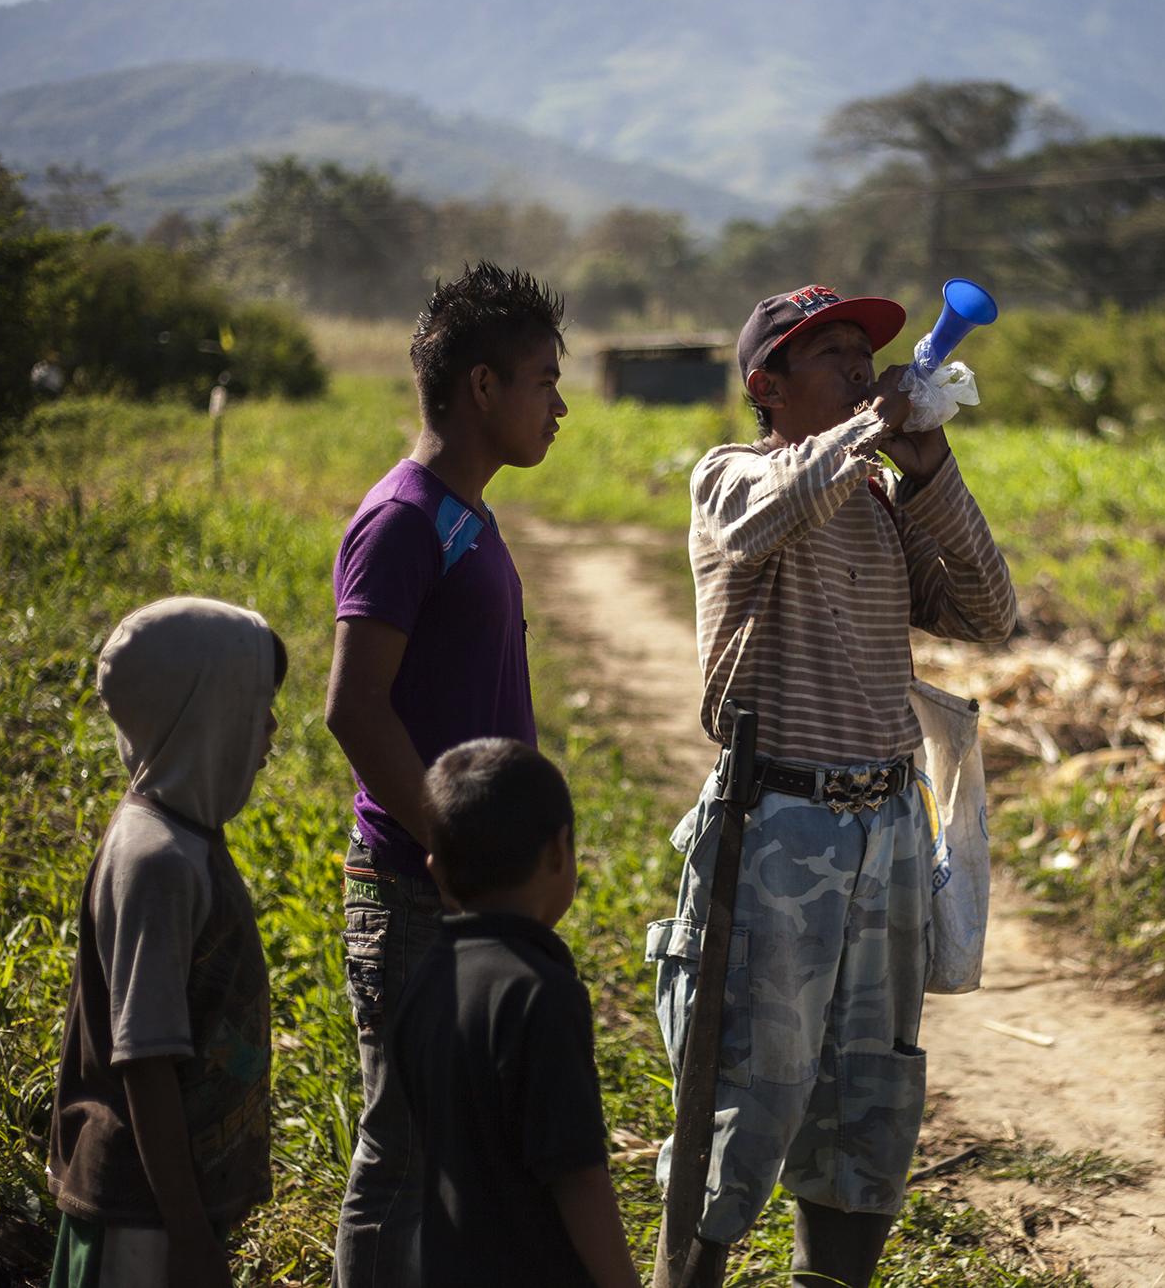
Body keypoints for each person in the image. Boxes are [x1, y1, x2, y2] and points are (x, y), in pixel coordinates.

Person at [648, 284, 1018, 1287]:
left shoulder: (874, 497)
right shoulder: (730, 475)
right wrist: (869, 427)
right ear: (765, 385)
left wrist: (928, 462)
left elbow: (989, 608)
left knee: (868, 1089)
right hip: (779, 825)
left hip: (886, 825)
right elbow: (762, 520)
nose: (864, 366)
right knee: (742, 1092)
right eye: (834, 352)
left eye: (869, 353)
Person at [325, 262, 567, 1286]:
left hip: (466, 890)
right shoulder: (403, 518)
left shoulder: (469, 513)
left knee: (458, 1154)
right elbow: (353, 705)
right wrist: (446, 842)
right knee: (401, 1150)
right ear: (480, 388)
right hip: (421, 890)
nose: (558, 406)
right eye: (542, 381)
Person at [46, 596, 286, 1288]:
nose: (271, 724)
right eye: (255, 702)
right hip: (144, 1217)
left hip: (167, 1204)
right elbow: (146, 1060)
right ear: (202, 713)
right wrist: (186, 1233)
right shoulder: (157, 861)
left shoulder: (183, 835)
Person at [392, 739, 642, 1288]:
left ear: (435, 867)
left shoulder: (425, 981)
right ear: (559, 851)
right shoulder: (540, 993)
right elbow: (577, 1174)